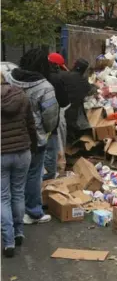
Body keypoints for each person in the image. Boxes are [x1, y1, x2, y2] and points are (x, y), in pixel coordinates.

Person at [5, 48, 59, 224]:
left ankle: (10, 213)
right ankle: (33, 211)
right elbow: (50, 116)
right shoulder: (45, 87)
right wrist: (45, 130)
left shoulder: (9, 78)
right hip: (35, 138)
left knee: (10, 178)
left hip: (7, 137)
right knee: (33, 175)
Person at [1, 73, 37, 257]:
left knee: (3, 198)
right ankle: (19, 232)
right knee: (18, 193)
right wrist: (35, 144)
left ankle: (8, 242)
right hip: (23, 151)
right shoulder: (21, 96)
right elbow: (31, 123)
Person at [44, 53, 70, 180]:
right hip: (54, 115)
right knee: (56, 144)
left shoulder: (37, 75)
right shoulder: (56, 78)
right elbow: (64, 101)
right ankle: (56, 172)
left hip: (36, 119)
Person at [64, 58, 94, 143]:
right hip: (74, 110)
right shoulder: (83, 80)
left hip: (63, 107)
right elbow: (90, 91)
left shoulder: (65, 76)